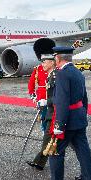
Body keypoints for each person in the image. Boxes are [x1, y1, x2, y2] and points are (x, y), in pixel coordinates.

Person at [49, 47, 91, 180]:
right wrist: (82, 113)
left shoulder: (62, 74)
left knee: (55, 151)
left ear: (58, 58)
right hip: (79, 117)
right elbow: (84, 97)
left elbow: (63, 100)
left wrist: (59, 124)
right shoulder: (77, 72)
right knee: (83, 150)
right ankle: (89, 176)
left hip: (67, 120)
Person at [26, 38, 56, 171]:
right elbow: (31, 84)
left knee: (50, 134)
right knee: (46, 130)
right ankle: (40, 161)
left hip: (52, 105)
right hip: (42, 101)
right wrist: (33, 96)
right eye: (42, 60)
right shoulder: (38, 69)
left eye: (44, 60)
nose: (42, 63)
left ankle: (42, 160)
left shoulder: (57, 71)